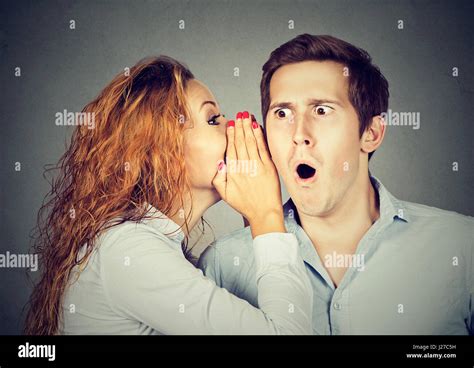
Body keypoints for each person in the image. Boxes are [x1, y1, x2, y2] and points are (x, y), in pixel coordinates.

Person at [198, 34, 474, 335]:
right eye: (282, 113)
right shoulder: (223, 265)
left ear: (371, 132)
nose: (299, 134)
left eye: (321, 110)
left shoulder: (462, 248)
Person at [24, 56, 313, 335]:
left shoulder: (148, 247)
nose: (234, 128)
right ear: (165, 151)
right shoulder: (129, 250)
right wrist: (266, 214)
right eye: (213, 120)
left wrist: (254, 216)